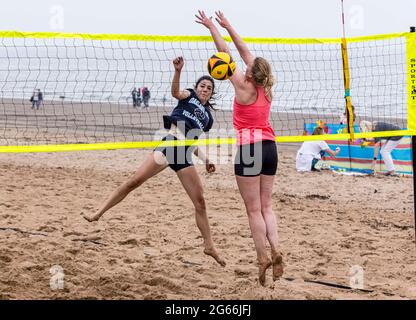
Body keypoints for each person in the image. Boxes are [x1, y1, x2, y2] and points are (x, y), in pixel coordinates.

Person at [82, 56, 225, 267]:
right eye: (202, 85)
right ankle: (98, 213)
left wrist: (205, 159)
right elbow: (175, 92)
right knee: (134, 182)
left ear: (211, 94)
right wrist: (178, 71)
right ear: (196, 87)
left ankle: (209, 245)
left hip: (183, 154)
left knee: (200, 202)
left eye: (209, 88)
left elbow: (192, 141)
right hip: (169, 146)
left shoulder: (207, 118)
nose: (205, 89)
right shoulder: (189, 96)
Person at [196, 10, 283, 285]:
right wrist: (228, 25)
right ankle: (277, 249)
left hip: (250, 150)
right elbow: (243, 50)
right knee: (267, 207)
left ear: (251, 73)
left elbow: (224, 52)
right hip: (270, 148)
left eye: (248, 67)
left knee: (253, 210)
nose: (245, 66)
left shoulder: (243, 86)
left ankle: (262, 258)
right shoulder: (266, 86)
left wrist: (213, 27)